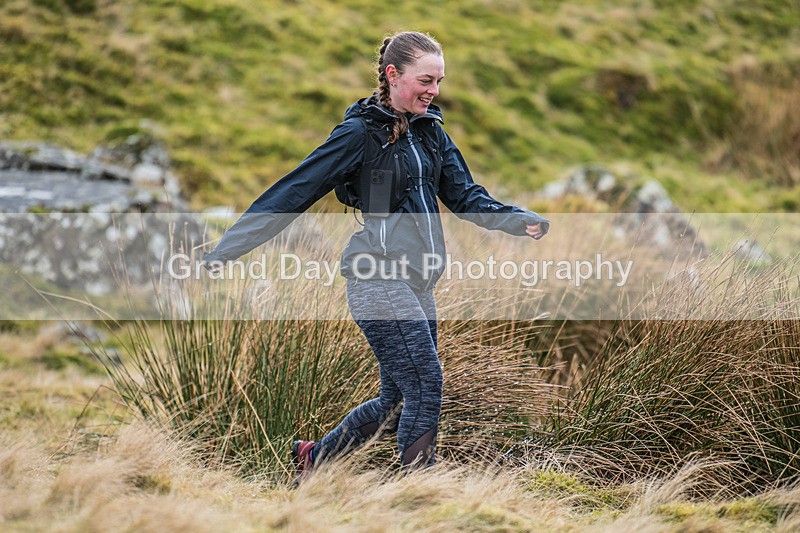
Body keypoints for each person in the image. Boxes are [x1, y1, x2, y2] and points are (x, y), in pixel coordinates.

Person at [201, 31, 549, 480]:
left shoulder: (431, 133)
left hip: (417, 283)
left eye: (439, 81)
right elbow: (293, 191)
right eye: (426, 79)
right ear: (392, 74)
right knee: (426, 385)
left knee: (398, 399)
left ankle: (314, 460)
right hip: (376, 278)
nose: (434, 91)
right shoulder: (359, 133)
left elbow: (466, 196)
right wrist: (227, 250)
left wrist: (516, 218)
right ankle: (421, 494)